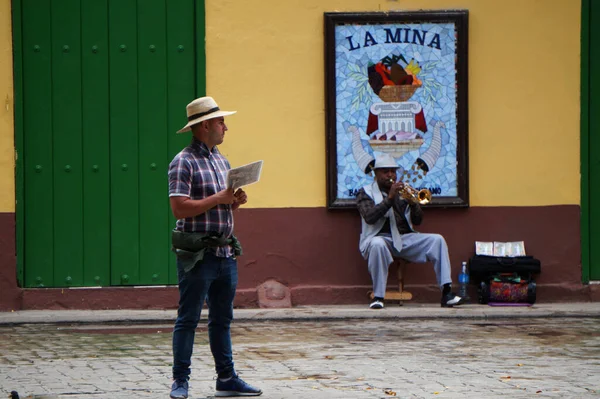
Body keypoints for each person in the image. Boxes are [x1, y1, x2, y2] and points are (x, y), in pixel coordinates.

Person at [168, 96, 262, 398]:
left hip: (224, 252)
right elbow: (179, 209)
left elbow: (218, 207)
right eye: (221, 121)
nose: (225, 127)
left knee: (222, 319)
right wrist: (219, 199)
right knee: (188, 318)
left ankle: (226, 378)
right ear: (205, 125)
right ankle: (180, 381)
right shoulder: (183, 161)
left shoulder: (222, 161)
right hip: (197, 255)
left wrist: (233, 203)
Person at [356, 153, 462, 309]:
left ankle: (446, 293)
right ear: (376, 174)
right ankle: (378, 297)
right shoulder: (365, 193)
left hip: (404, 237)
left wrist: (414, 204)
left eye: (393, 171)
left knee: (437, 240)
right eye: (385, 171)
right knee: (377, 244)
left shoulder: (402, 192)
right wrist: (389, 199)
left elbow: (418, 221)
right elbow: (369, 217)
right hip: (379, 238)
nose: (390, 175)